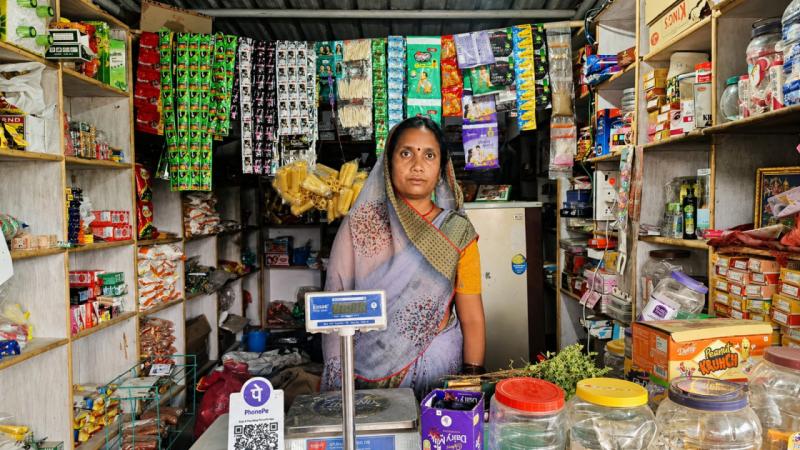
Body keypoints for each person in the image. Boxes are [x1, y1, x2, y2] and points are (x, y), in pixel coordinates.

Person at [322, 117, 486, 398]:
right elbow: (336, 302)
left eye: (429, 155)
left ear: (441, 168)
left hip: (435, 368)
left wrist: (471, 380)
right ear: (388, 163)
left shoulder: (456, 232)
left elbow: (471, 317)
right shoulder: (360, 226)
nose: (417, 165)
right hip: (363, 373)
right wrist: (339, 382)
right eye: (406, 153)